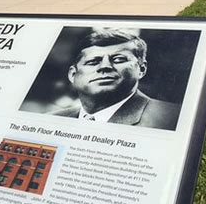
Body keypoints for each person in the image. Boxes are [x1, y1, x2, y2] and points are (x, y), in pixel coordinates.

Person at [51, 28, 180, 130]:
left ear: (141, 69)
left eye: (119, 59)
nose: (105, 67)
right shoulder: (53, 119)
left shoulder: (172, 118)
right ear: (72, 75)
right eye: (92, 62)